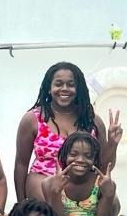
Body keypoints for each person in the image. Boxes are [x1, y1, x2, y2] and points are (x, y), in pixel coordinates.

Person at [15, 62, 121, 202]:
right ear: (49, 88)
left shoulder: (92, 121)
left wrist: (112, 143)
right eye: (58, 84)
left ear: (78, 89)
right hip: (44, 181)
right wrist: (21, 204)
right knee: (56, 206)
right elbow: (21, 163)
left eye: (71, 85)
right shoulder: (32, 119)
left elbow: (104, 168)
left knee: (114, 203)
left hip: (83, 184)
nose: (64, 89)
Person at [43, 132, 119, 216]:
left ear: (95, 159)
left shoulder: (102, 184)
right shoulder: (49, 183)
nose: (80, 160)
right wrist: (55, 193)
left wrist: (108, 197)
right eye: (73, 154)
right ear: (64, 156)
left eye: (88, 156)